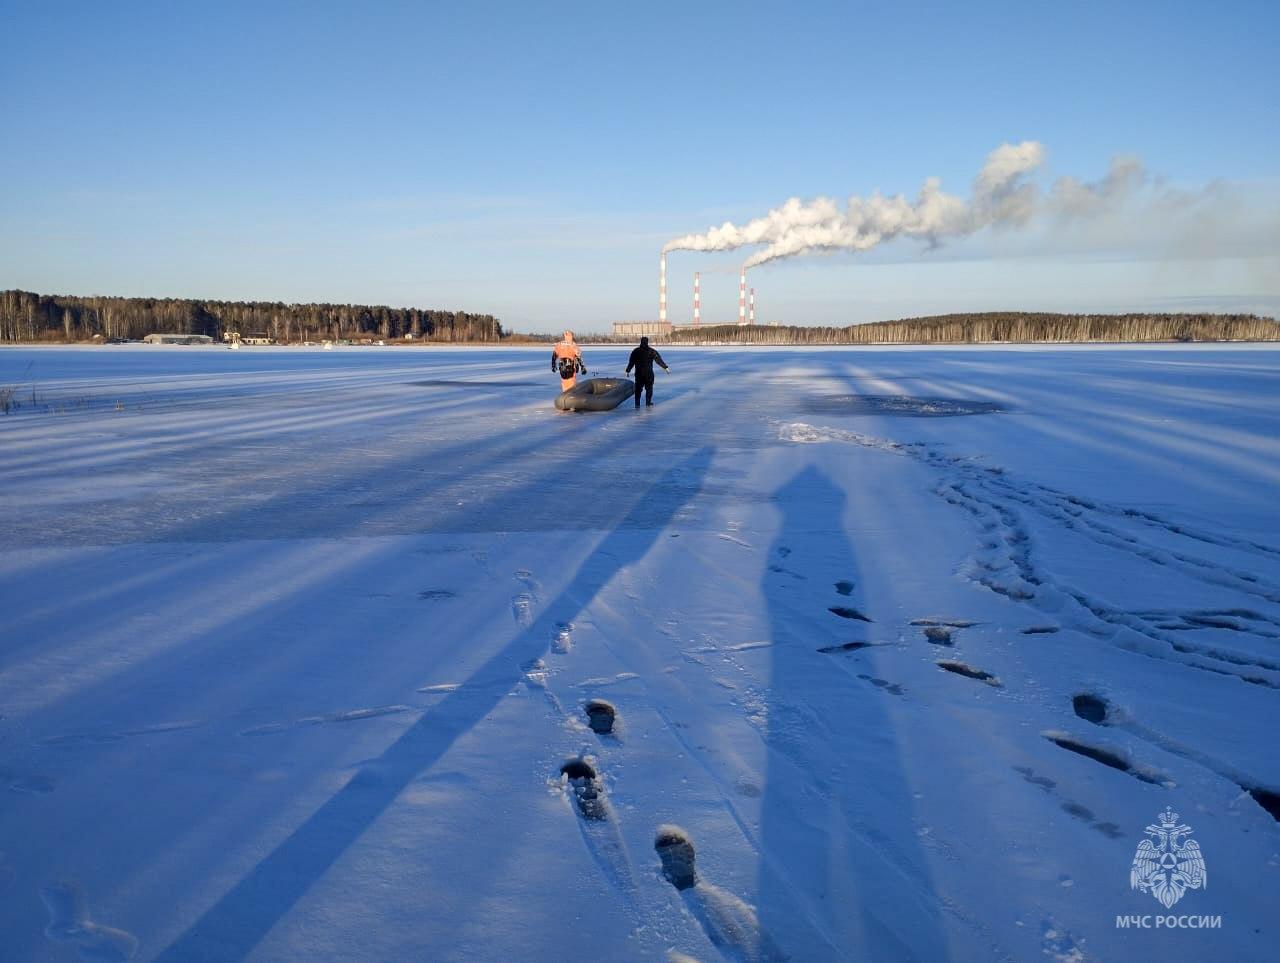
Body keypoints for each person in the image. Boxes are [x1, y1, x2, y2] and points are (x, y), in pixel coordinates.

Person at [625, 336, 670, 408]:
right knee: (649, 388)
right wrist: (665, 367)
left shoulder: (636, 351)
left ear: (641, 341)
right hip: (648, 373)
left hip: (639, 373)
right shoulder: (652, 351)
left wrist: (628, 371)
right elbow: (658, 360)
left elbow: (631, 362)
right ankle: (648, 403)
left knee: (638, 389)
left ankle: (637, 404)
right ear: (647, 342)